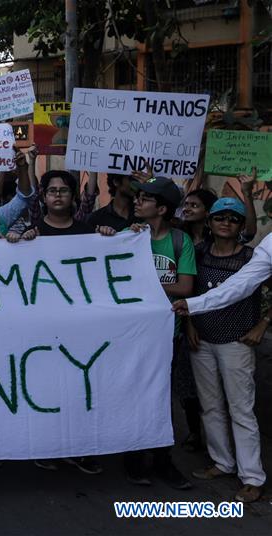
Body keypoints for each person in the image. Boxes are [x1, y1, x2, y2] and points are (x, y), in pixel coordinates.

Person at [101, 176, 195, 490]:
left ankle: (163, 462)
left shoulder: (181, 241)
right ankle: (134, 460)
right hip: (130, 337)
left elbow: (184, 287)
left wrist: (146, 284)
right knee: (131, 395)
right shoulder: (129, 236)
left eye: (145, 198)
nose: (137, 202)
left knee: (159, 400)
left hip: (168, 337)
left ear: (163, 208)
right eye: (138, 197)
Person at [6, 170, 102, 475]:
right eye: (52, 190)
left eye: (64, 190)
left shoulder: (89, 233)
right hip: (41, 328)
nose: (58, 195)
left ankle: (79, 447)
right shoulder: (32, 233)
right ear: (43, 197)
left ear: (73, 197)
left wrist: (114, 240)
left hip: (79, 327)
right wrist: (19, 242)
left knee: (77, 388)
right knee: (44, 389)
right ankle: (46, 446)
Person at [183, 198, 266, 503]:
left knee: (241, 409)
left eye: (233, 218)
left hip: (237, 341)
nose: (226, 223)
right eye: (220, 217)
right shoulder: (200, 252)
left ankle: (253, 477)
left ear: (241, 225)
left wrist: (263, 324)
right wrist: (190, 325)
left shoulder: (252, 258)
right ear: (210, 221)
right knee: (211, 406)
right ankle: (222, 462)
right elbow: (191, 291)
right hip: (202, 340)